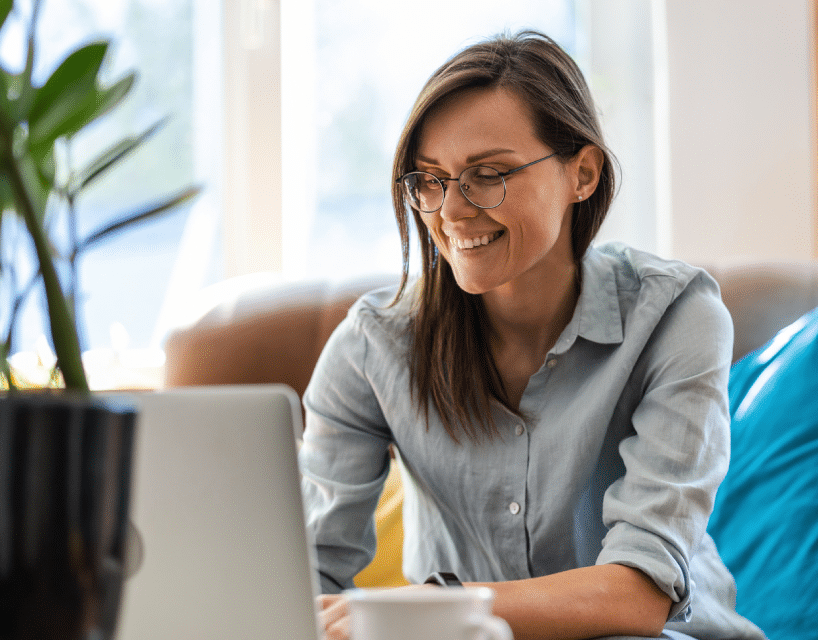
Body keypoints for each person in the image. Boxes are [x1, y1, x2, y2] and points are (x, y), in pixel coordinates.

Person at [300, 30, 765, 640]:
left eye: (487, 175)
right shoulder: (373, 347)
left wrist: (430, 609)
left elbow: (638, 593)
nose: (451, 211)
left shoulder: (677, 318)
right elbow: (305, 574)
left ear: (584, 173)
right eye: (431, 181)